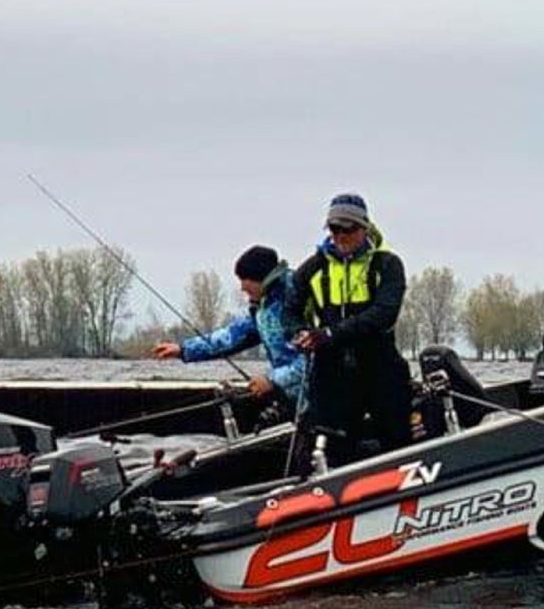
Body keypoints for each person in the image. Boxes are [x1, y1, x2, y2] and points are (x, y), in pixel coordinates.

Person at [283, 192, 413, 474]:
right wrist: (300, 334)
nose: (340, 235)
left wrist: (330, 334)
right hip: (331, 374)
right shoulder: (311, 269)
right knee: (328, 446)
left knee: (397, 438)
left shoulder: (387, 265)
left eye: (348, 229)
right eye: (334, 229)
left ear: (364, 228)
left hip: (380, 365)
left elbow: (384, 314)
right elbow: (289, 314)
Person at [150, 245, 307, 411]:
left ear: (262, 278)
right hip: (295, 402)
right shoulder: (261, 309)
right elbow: (230, 337)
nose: (242, 288)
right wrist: (182, 349)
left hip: (321, 402)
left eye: (244, 280)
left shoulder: (298, 300)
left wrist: (272, 380)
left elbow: (315, 360)